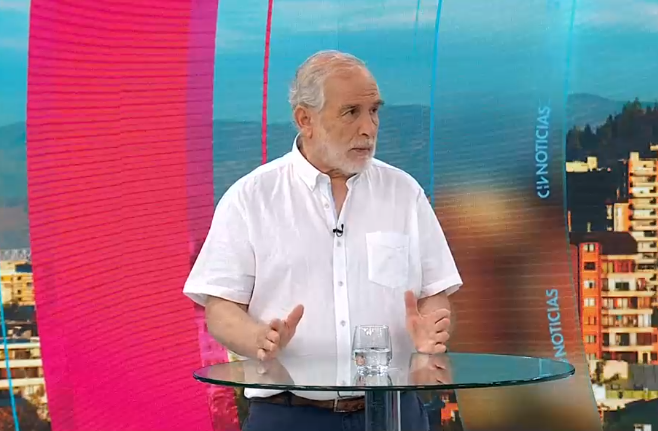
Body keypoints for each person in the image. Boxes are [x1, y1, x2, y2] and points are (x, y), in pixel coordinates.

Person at [183, 49, 463, 431]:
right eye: (351, 112)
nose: (368, 128)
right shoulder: (251, 198)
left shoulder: (404, 193)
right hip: (288, 415)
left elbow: (434, 291)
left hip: (394, 411)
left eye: (374, 111)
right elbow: (220, 306)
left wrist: (432, 326)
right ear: (305, 119)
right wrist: (255, 337)